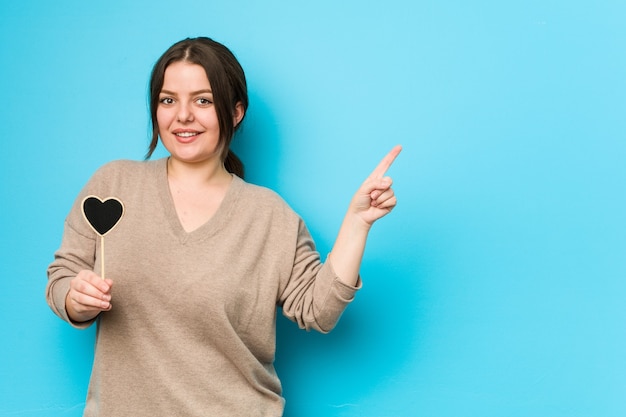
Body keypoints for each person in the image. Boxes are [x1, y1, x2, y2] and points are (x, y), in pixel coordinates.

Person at [46, 36, 401, 416]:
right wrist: (76, 298)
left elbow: (318, 310)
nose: (183, 115)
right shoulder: (113, 186)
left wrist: (357, 222)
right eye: (169, 100)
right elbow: (62, 277)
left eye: (203, 100)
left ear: (235, 112)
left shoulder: (270, 216)